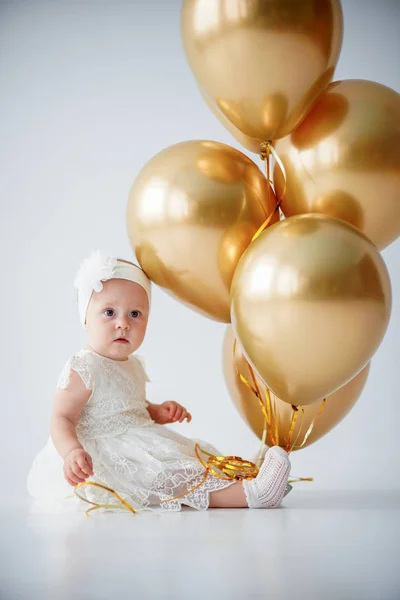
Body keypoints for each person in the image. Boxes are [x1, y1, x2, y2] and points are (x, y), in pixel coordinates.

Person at [27, 250, 291, 513]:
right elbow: (62, 417)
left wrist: (157, 411)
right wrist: (71, 452)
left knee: (189, 461)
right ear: (85, 319)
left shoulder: (132, 365)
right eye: (109, 312)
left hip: (140, 440)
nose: (123, 323)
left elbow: (130, 406)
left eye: (135, 314)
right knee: (168, 478)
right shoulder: (83, 366)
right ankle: (252, 495)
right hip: (106, 455)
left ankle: (246, 478)